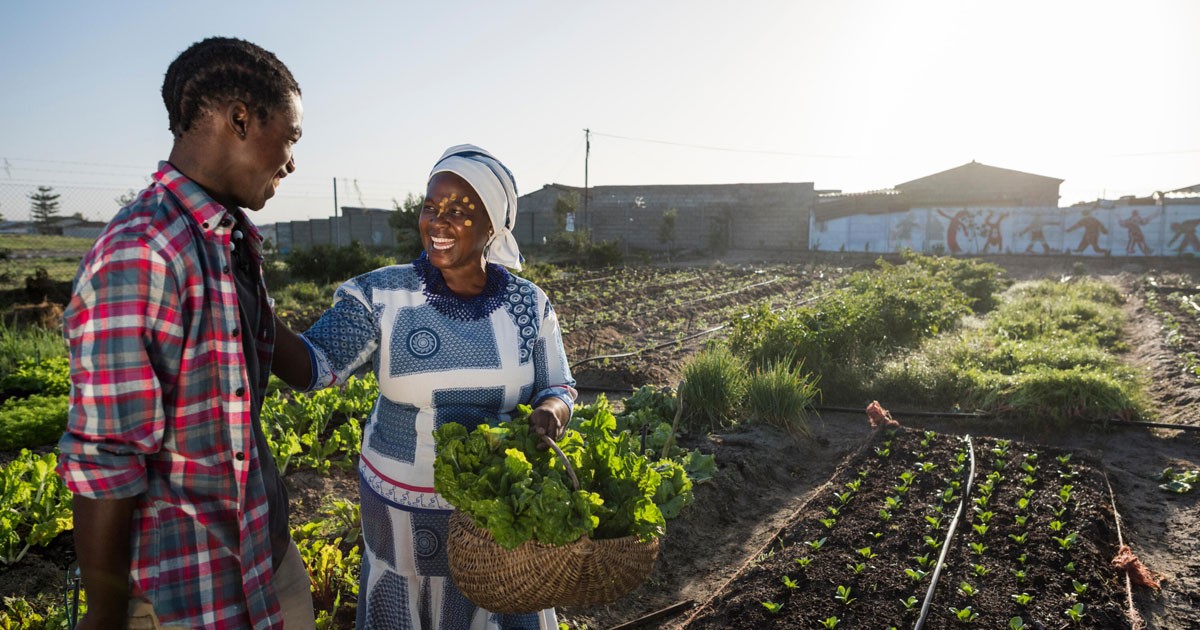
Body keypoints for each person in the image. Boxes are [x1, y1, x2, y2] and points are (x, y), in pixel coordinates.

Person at [57, 37, 316, 630]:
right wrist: (103, 619)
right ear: (241, 119)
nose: (292, 161)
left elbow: (272, 351)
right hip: (187, 597)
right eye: (292, 137)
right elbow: (105, 463)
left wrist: (384, 323)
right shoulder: (142, 252)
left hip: (264, 562)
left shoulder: (229, 238)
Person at [273, 145, 577, 629]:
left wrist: (553, 412)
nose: (438, 221)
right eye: (431, 207)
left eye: (459, 211)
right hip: (401, 519)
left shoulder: (528, 305)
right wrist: (253, 312)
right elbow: (315, 366)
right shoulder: (380, 295)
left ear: (493, 226)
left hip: (497, 520)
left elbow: (559, 384)